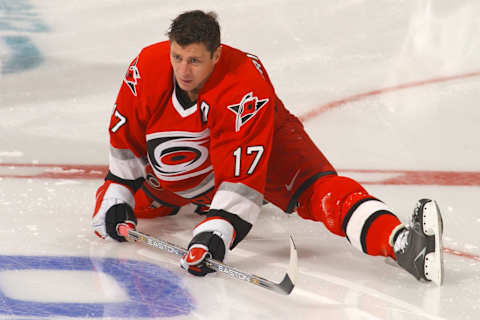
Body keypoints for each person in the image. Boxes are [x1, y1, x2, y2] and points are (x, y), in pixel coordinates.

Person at [92, 10, 444, 285]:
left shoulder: (245, 85)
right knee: (133, 209)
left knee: (318, 192)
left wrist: (215, 235)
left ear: (216, 55)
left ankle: (400, 243)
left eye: (195, 61)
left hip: (263, 141)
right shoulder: (147, 67)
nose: (183, 70)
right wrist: (116, 196)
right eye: (177, 57)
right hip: (185, 169)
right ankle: (199, 202)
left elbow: (242, 180)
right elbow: (127, 140)